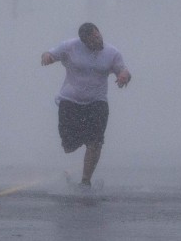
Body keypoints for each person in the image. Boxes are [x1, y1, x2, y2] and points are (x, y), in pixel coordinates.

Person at [41, 22, 131, 188]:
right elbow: (51, 53)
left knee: (96, 141)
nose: (97, 41)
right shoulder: (70, 46)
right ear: (84, 41)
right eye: (92, 40)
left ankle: (85, 181)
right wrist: (47, 57)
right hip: (70, 101)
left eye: (98, 36)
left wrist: (124, 76)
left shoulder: (111, 52)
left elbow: (122, 70)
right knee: (68, 145)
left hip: (97, 101)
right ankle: (82, 140)